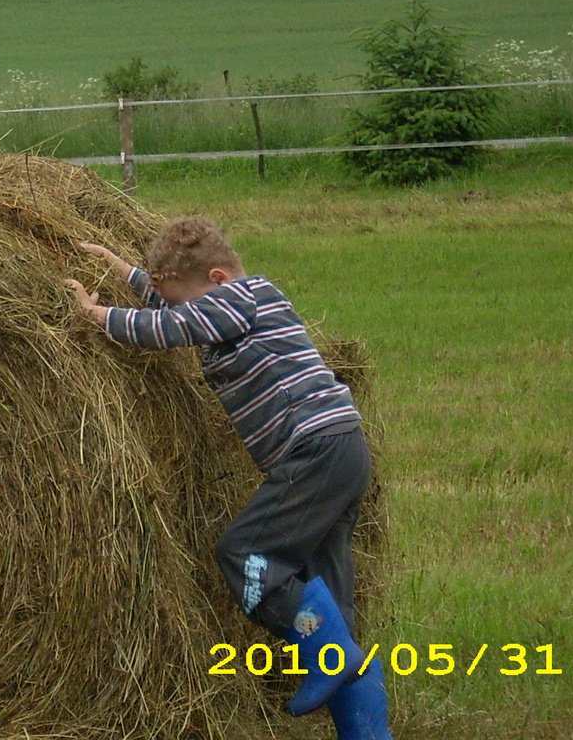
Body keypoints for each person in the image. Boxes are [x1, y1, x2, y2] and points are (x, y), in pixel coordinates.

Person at [63, 217, 393, 740]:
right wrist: (126, 272)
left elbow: (170, 328)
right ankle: (366, 728)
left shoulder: (246, 295)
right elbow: (175, 310)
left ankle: (327, 655)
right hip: (337, 452)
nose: (179, 311)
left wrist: (96, 314)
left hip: (314, 452)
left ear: (218, 278)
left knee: (247, 555)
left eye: (185, 300)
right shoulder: (229, 304)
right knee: (331, 596)